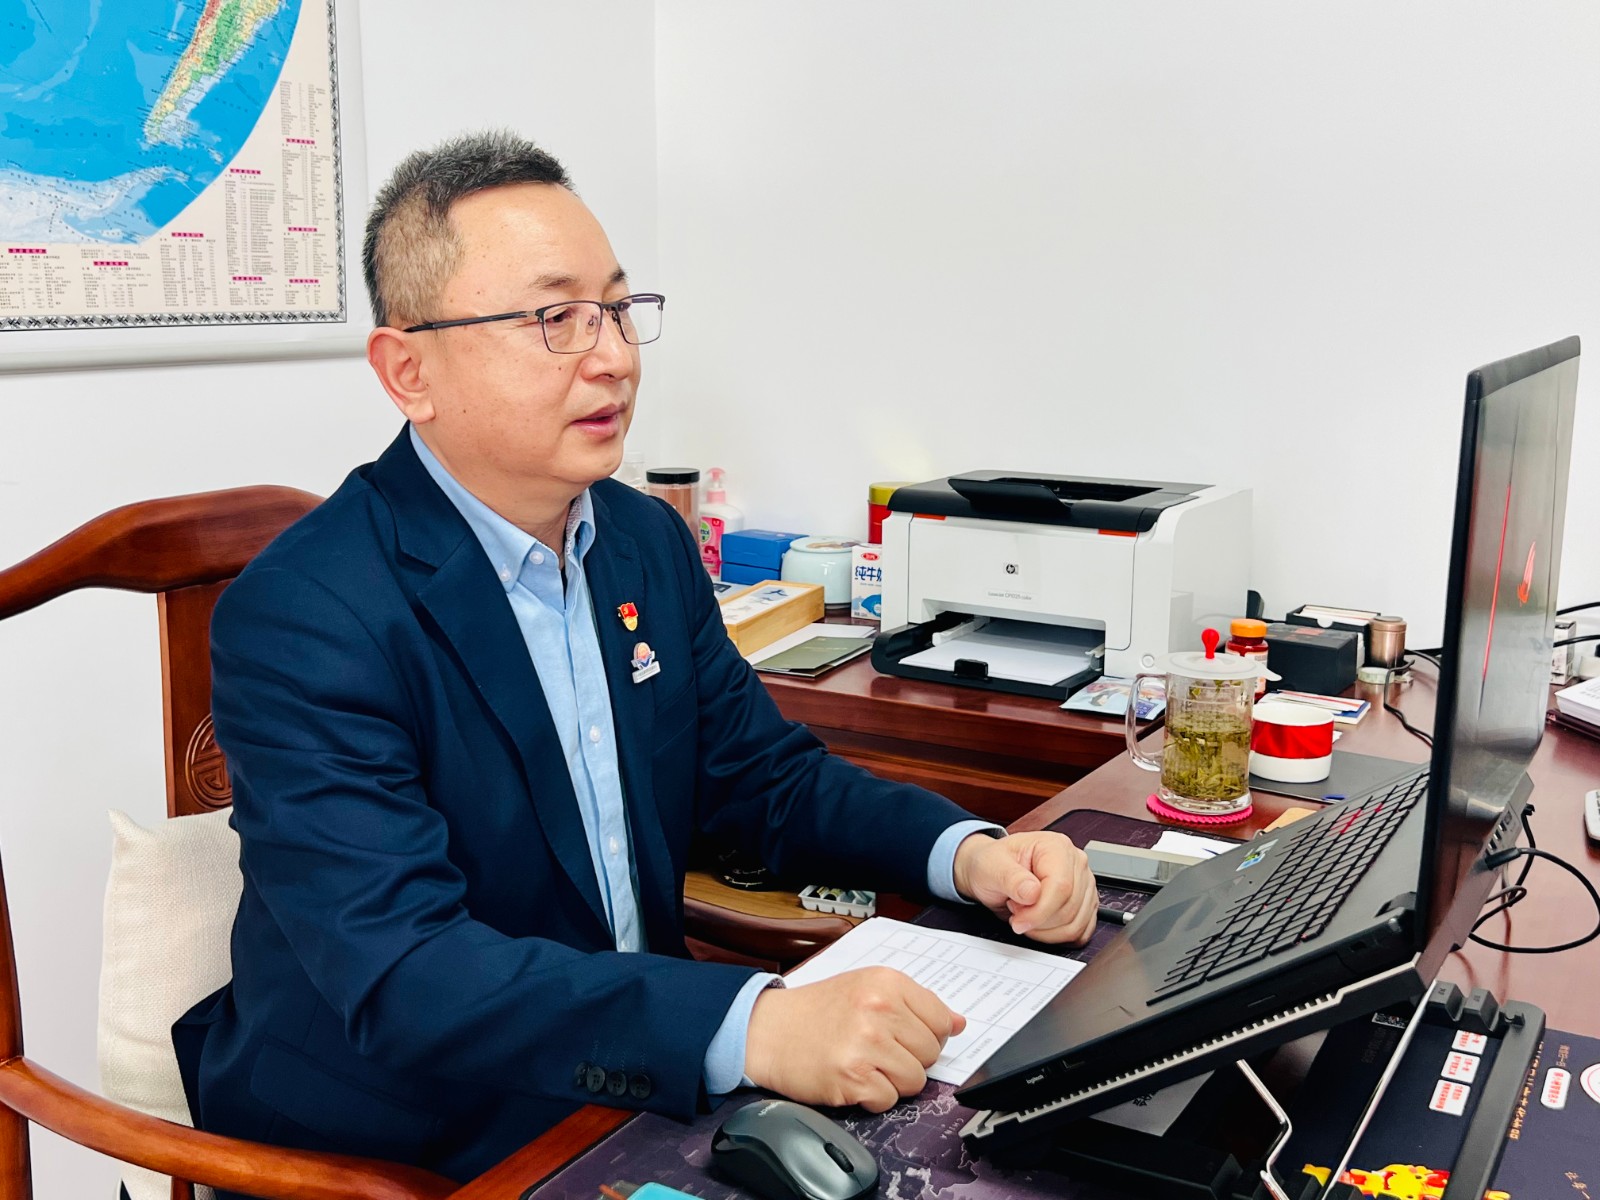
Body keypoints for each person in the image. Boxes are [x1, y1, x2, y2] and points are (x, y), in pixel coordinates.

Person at [173, 129, 1098, 1187]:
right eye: (555, 319)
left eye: (617, 309)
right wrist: (751, 1026)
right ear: (409, 370)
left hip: (627, 1073)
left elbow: (761, 777)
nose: (613, 355)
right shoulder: (304, 613)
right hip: (403, 1134)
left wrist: (965, 853)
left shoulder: (640, 538)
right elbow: (404, 970)